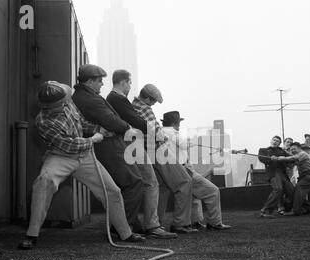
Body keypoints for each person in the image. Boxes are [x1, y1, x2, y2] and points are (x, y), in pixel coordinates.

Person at [18, 81, 144, 250]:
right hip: (60, 157)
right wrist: (93, 139)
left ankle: (125, 233)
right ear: (52, 105)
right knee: (43, 182)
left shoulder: (67, 101)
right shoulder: (43, 121)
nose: (67, 103)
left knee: (112, 191)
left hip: (85, 157)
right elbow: (68, 145)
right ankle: (31, 235)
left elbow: (81, 123)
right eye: (63, 102)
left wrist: (98, 129)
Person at [72, 65, 176, 239]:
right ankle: (129, 226)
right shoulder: (105, 98)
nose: (101, 84)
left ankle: (129, 224)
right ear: (89, 81)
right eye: (99, 81)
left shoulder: (92, 97)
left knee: (129, 183)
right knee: (138, 182)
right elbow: (117, 120)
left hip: (114, 143)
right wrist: (130, 128)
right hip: (115, 145)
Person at [132, 84, 197, 234]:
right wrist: (164, 136)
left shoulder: (133, 106)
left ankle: (155, 223)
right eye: (153, 100)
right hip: (157, 150)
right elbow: (155, 132)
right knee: (184, 182)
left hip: (144, 151)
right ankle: (180, 223)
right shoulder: (145, 108)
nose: (154, 103)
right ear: (147, 98)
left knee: (162, 187)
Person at [160, 111, 231, 230]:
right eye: (178, 122)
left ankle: (194, 220)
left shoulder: (161, 132)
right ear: (174, 123)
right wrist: (192, 142)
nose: (179, 125)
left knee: (191, 194)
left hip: (170, 168)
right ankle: (214, 222)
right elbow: (183, 144)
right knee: (213, 191)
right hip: (182, 169)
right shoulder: (172, 132)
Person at [272, 142, 310, 216]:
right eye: (291, 149)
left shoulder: (303, 154)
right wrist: (279, 159)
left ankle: (296, 211)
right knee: (296, 192)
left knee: (299, 190)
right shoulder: (298, 156)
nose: (292, 151)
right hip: (305, 176)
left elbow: (292, 158)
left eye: (294, 149)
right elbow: (290, 164)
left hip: (309, 176)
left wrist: (278, 158)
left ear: (299, 148)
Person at [258, 136, 295, 218]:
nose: (275, 142)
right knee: (278, 189)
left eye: (277, 141)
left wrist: (284, 158)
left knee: (291, 190)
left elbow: (291, 159)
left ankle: (286, 209)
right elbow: (261, 158)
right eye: (274, 140)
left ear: (279, 144)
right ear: (271, 140)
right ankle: (265, 211)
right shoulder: (263, 150)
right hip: (273, 172)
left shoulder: (282, 151)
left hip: (283, 173)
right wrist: (270, 159)